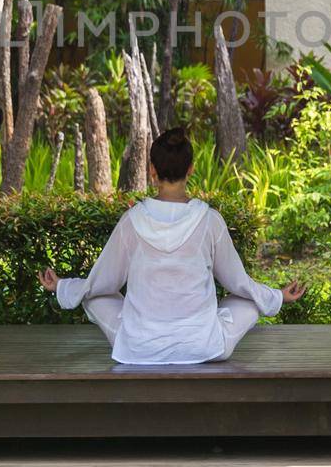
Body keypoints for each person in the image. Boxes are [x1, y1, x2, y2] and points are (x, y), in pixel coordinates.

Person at [38, 127, 305, 365]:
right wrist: (277, 295)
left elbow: (102, 282)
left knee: (93, 295)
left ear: (152, 170)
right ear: (191, 169)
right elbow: (237, 282)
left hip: (139, 346)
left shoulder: (132, 220)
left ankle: (142, 337)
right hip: (202, 344)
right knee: (247, 301)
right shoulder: (210, 219)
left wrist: (62, 286)